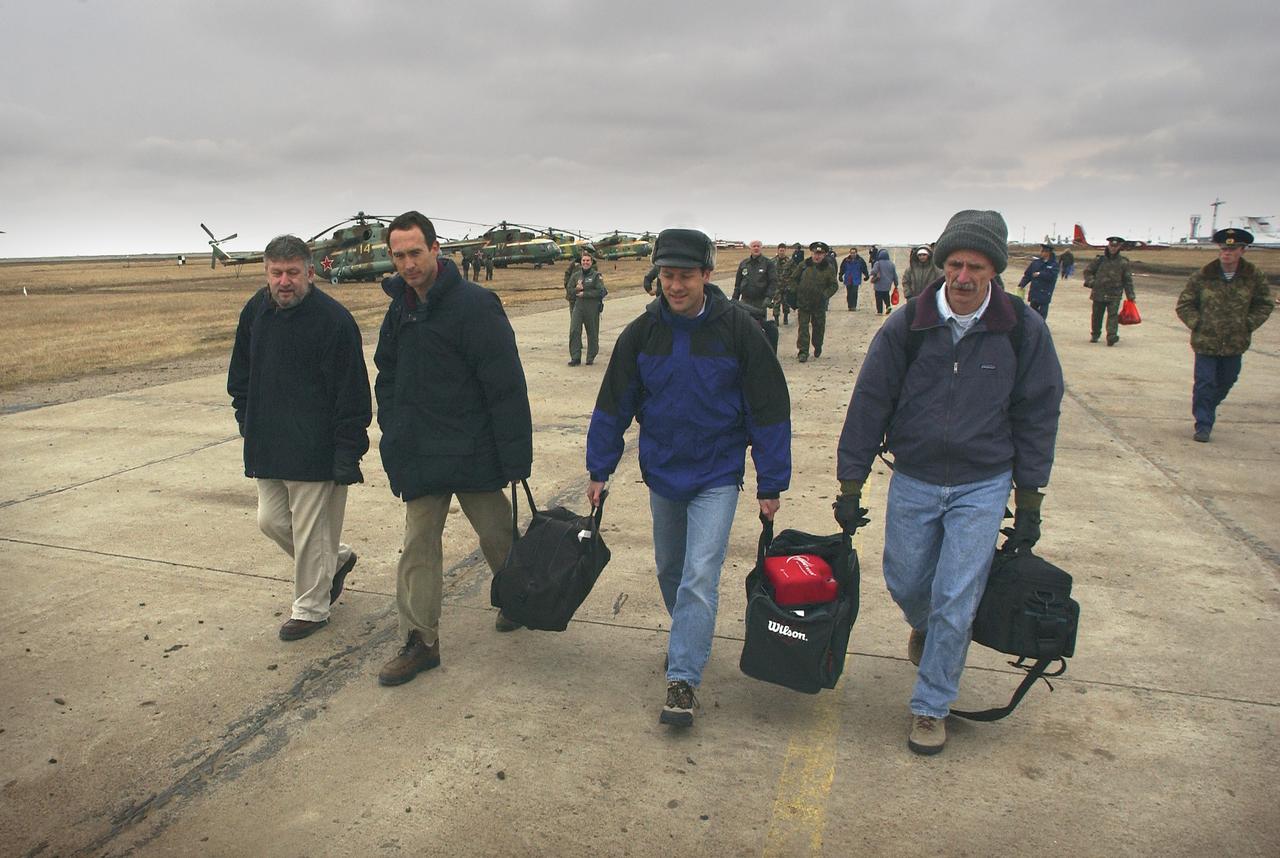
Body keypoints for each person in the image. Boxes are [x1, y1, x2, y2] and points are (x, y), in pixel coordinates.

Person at [834, 209, 1064, 755]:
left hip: (983, 484)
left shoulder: (1023, 331)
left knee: (957, 597)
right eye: (956, 264)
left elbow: (1038, 414)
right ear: (941, 264)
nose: (963, 277)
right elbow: (869, 405)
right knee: (908, 581)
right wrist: (850, 485)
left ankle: (931, 707)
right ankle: (928, 627)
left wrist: (1029, 499)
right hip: (913, 476)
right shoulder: (908, 324)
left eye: (977, 267)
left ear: (995, 271)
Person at [586, 228, 791, 728]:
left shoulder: (739, 330)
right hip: (663, 470)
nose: (674, 287)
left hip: (717, 472)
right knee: (670, 570)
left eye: (684, 276)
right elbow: (614, 404)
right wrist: (599, 468)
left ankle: (683, 679)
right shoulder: (642, 333)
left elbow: (768, 408)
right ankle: (689, 641)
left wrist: (770, 481)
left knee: (700, 574)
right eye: (666, 277)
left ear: (706, 274)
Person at [373, 211, 533, 686]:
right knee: (418, 545)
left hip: (471, 450)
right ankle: (420, 641)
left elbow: (505, 384)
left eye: (415, 253)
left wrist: (515, 456)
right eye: (398, 255)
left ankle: (517, 598)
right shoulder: (400, 307)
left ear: (436, 249)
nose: (407, 264)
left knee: (498, 533)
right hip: (421, 450)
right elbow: (388, 372)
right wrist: (393, 428)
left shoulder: (475, 305)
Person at [227, 235, 372, 641]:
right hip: (268, 443)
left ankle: (310, 609)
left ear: (310, 272)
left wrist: (348, 451)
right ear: (266, 273)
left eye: (293, 272)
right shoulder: (256, 310)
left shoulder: (334, 321)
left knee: (311, 535)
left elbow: (353, 394)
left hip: (317, 448)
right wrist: (246, 418)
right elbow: (240, 374)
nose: (284, 281)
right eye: (276, 273)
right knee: (271, 522)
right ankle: (338, 560)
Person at [1175, 227, 1273, 443]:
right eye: (1223, 248)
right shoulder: (1204, 275)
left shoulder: (1252, 276)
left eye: (1233, 249)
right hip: (1206, 341)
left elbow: (1264, 303)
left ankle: (1207, 406)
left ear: (1242, 250)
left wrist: (1247, 324)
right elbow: (1185, 304)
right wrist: (1197, 323)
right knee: (1204, 382)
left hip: (1235, 341)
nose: (1227, 253)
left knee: (1228, 379)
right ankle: (1203, 423)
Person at [792, 240, 839, 362]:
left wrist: (825, 295)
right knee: (803, 327)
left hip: (819, 304)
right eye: (815, 253)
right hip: (804, 302)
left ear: (824, 255)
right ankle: (803, 351)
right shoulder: (803, 265)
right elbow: (793, 279)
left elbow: (834, 285)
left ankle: (817, 346)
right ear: (811, 253)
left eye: (820, 254)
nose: (817, 256)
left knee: (818, 327)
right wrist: (796, 292)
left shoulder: (828, 268)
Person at [1083, 236, 1135, 345]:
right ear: (1108, 245)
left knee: (1113, 315)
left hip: (1114, 294)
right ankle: (1095, 334)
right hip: (1099, 293)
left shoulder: (1123, 262)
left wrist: (1131, 296)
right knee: (1097, 315)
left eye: (1115, 246)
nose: (1113, 248)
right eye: (1111, 245)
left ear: (1119, 247)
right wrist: (1092, 282)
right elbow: (1088, 272)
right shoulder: (1099, 260)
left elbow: (1127, 280)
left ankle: (1111, 336)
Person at [732, 239, 781, 352]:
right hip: (745, 302)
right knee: (744, 327)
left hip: (760, 302)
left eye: (758, 246)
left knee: (759, 329)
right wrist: (734, 300)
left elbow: (773, 282)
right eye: (754, 246)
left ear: (761, 248)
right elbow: (738, 284)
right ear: (750, 248)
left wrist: (769, 297)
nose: (756, 248)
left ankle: (760, 352)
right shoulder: (744, 264)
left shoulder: (768, 264)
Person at [566, 251, 607, 366]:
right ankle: (575, 357)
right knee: (574, 330)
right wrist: (576, 290)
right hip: (578, 306)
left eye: (587, 260)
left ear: (591, 262)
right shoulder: (576, 276)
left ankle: (590, 357)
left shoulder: (596, 276)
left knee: (592, 332)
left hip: (592, 307)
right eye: (583, 260)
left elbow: (601, 291)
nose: (585, 262)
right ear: (581, 262)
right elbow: (569, 290)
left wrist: (585, 293)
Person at [1018, 243, 1060, 319]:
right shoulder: (1035, 263)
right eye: (1041, 251)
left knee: (1043, 313)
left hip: (1045, 292)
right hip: (1035, 291)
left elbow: (1052, 276)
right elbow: (1028, 275)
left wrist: (1040, 274)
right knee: (1032, 313)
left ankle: (1041, 328)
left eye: (1043, 251)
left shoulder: (1054, 264)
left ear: (1048, 253)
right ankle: (1033, 327)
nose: (1041, 253)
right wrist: (1022, 284)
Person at [770, 243, 794, 325]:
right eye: (780, 250)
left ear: (785, 251)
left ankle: (785, 318)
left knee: (786, 303)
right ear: (778, 250)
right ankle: (776, 320)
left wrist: (792, 284)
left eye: (783, 251)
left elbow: (794, 273)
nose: (782, 252)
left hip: (786, 286)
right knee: (776, 303)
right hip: (776, 286)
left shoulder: (790, 261)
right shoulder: (772, 261)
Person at [870, 248, 898, 315]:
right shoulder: (892, 264)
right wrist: (896, 283)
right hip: (887, 285)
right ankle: (888, 306)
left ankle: (879, 311)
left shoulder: (878, 263)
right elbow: (895, 275)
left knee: (878, 298)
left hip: (878, 285)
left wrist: (870, 273)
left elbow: (874, 271)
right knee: (886, 296)